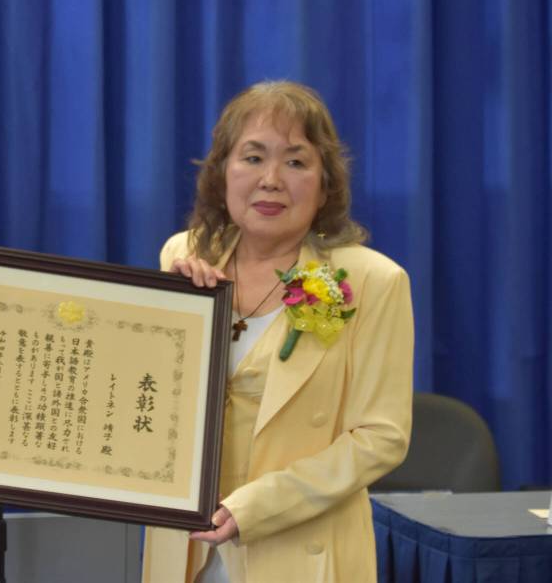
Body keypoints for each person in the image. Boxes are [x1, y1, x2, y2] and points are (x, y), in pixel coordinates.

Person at [143, 81, 413, 582]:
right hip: (184, 551)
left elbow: (381, 438)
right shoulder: (182, 255)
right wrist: (167, 318)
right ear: (222, 172)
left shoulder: (374, 281)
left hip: (298, 549)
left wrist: (259, 506)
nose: (271, 180)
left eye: (295, 162)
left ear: (325, 183)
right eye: (252, 157)